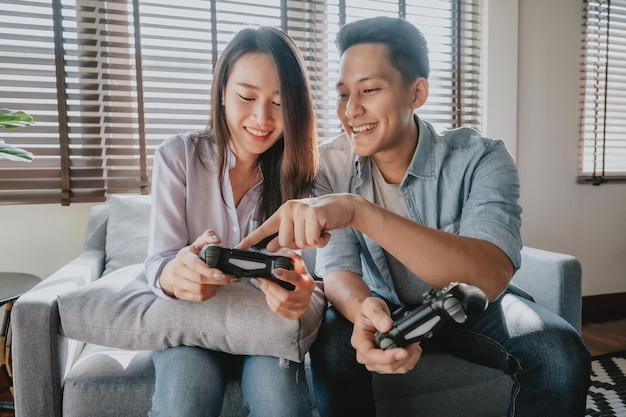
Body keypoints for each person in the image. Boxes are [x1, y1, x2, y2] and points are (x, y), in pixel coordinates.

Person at [239, 16, 591, 417]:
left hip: (468, 307)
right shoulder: (331, 164)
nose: (351, 110)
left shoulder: (482, 157)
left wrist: (360, 211)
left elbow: (489, 277)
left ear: (417, 92)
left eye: (369, 89)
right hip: (380, 304)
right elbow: (338, 270)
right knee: (334, 344)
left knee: (560, 353)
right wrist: (363, 311)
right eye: (342, 94)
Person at [143, 26, 319, 417]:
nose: (262, 117)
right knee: (182, 404)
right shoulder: (178, 156)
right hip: (191, 327)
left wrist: (299, 290)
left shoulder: (303, 177)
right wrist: (176, 274)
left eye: (279, 102)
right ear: (222, 91)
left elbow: (306, 272)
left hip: (262, 326)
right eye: (246, 96)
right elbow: (159, 262)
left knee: (282, 406)